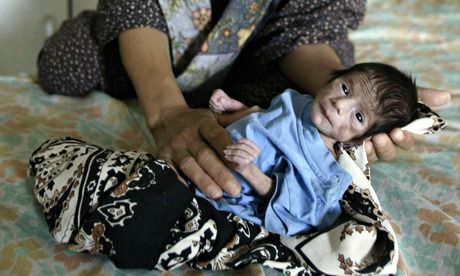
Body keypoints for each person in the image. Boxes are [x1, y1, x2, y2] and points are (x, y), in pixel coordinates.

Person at [36, 0, 450, 201]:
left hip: (258, 44)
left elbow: (306, 24)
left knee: (279, 100)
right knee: (63, 66)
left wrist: (359, 96)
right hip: (158, 32)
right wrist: (168, 111)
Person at [191, 62, 418, 235]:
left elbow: (296, 209)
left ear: (359, 140)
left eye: (358, 116)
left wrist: (249, 170)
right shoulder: (300, 102)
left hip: (223, 200)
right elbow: (265, 118)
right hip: (202, 152)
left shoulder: (325, 172)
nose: (340, 104)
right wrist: (233, 108)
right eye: (346, 88)